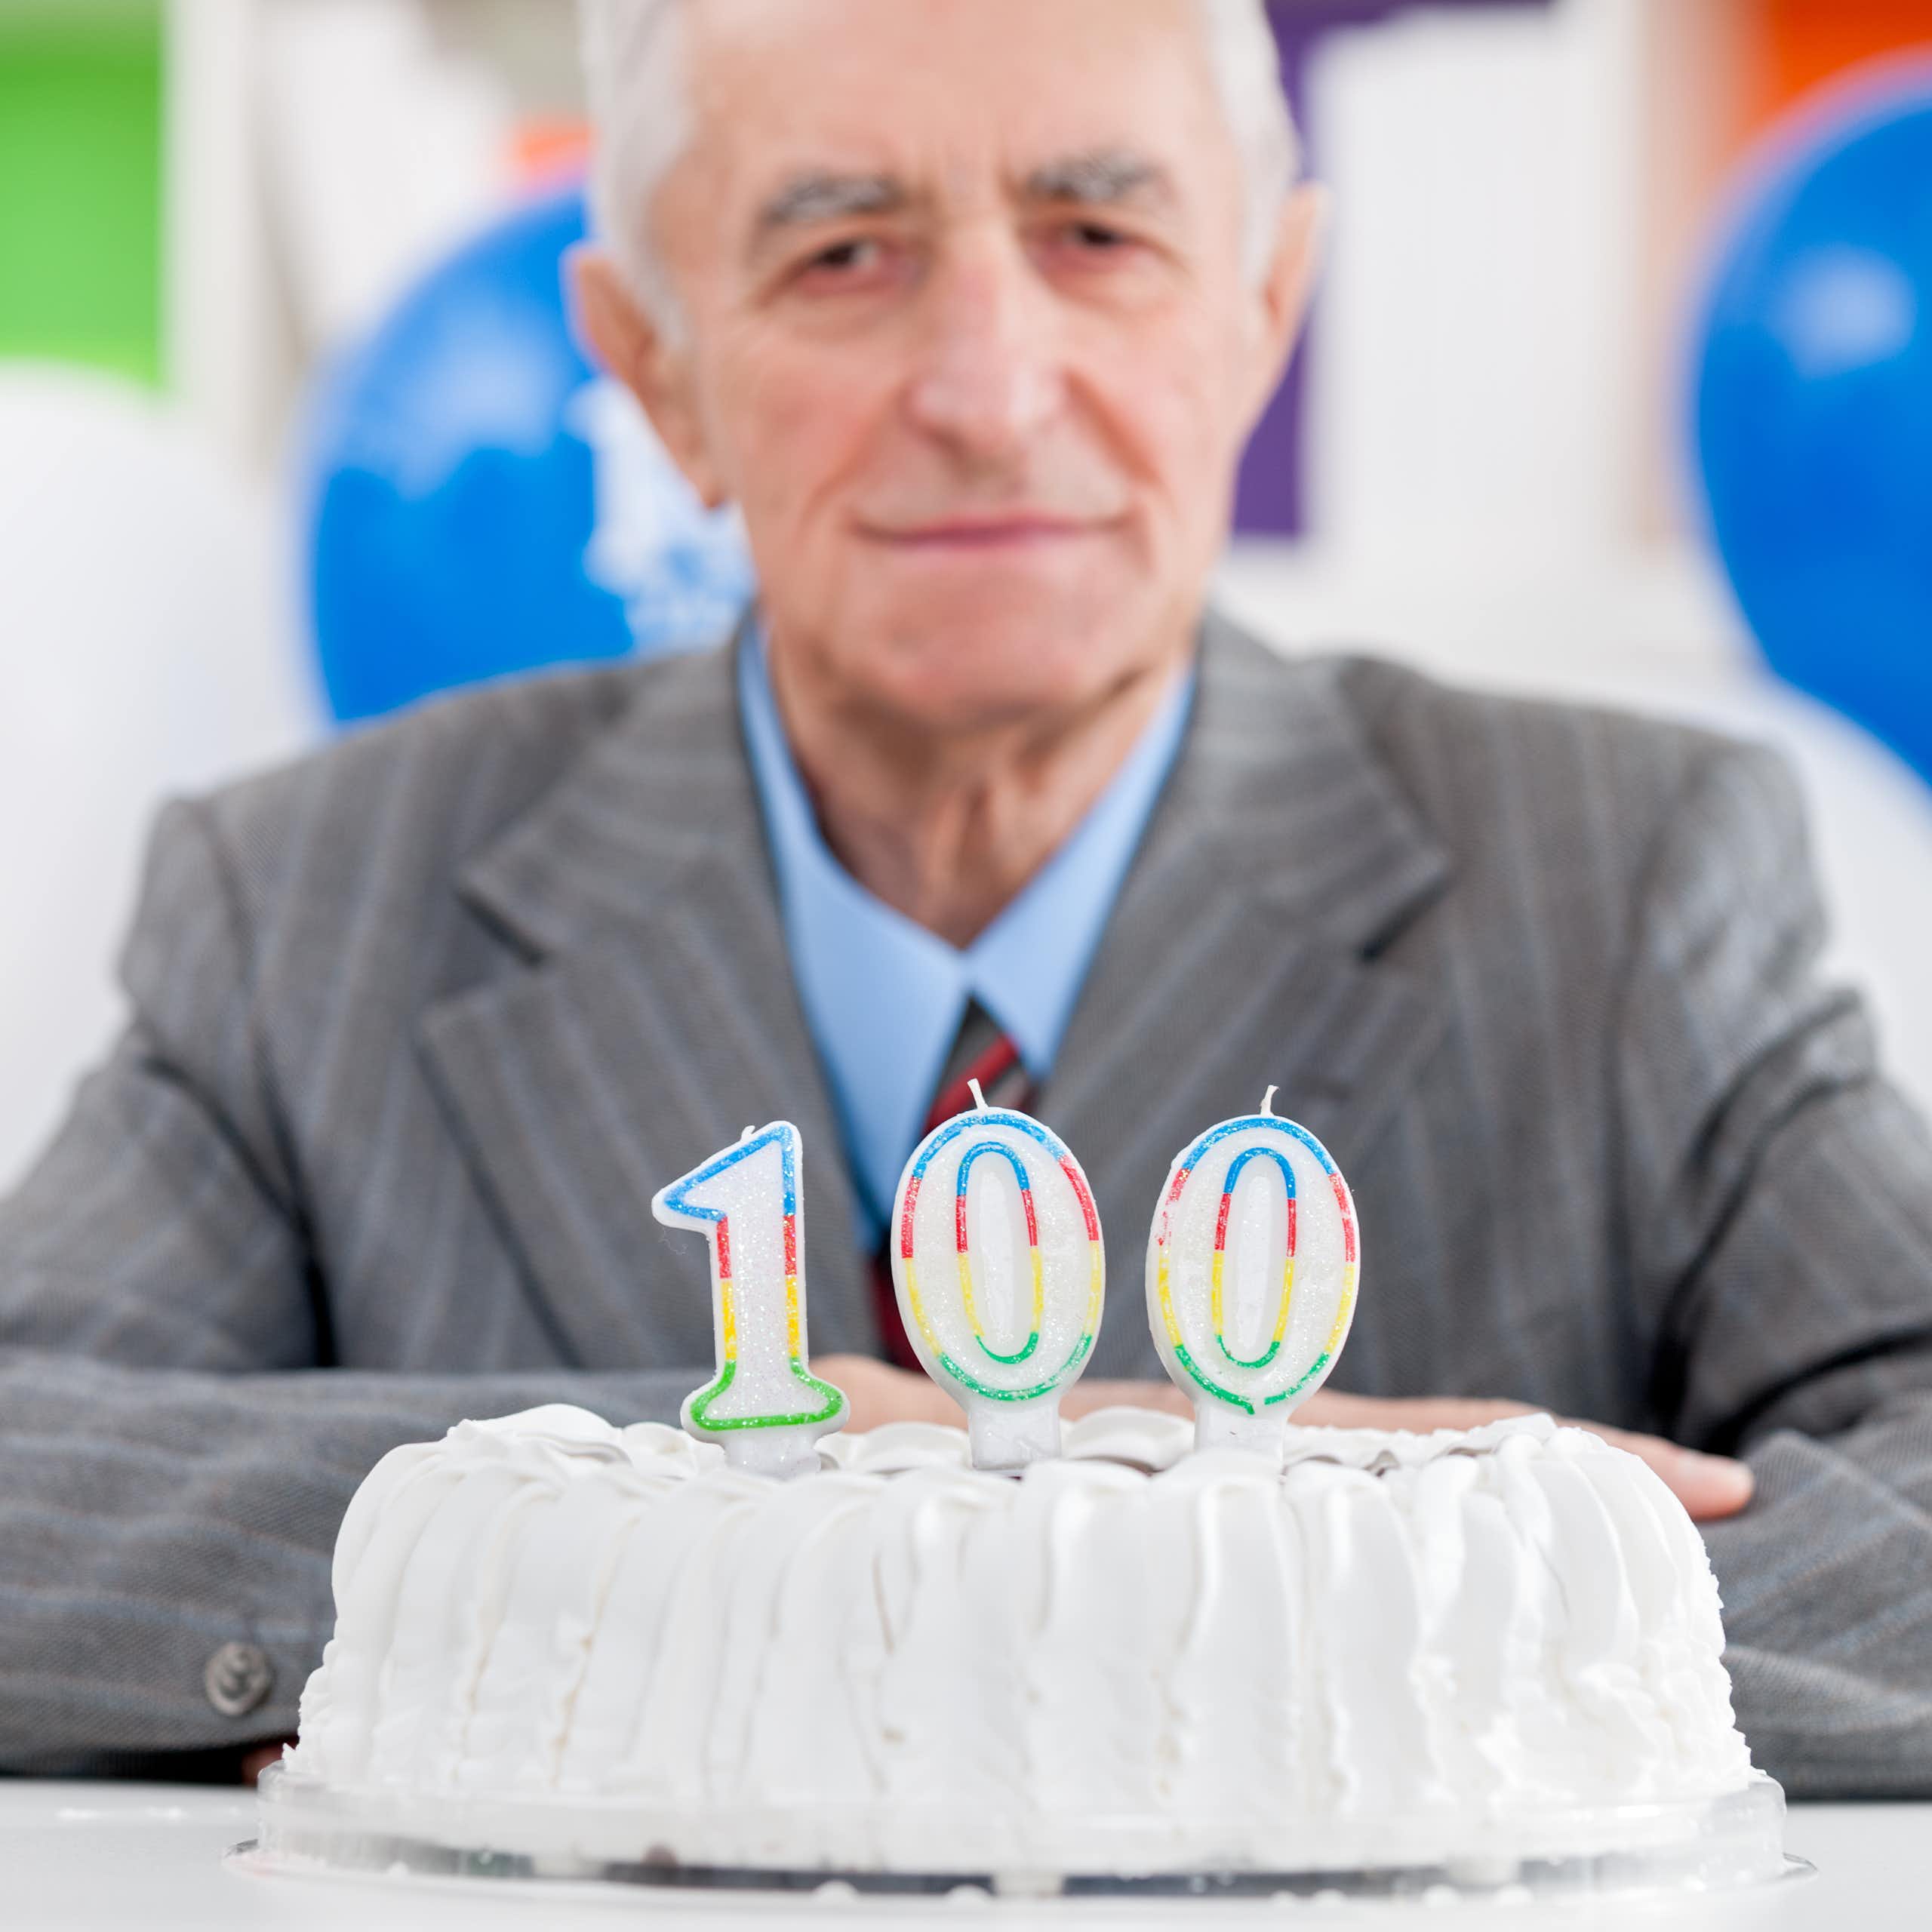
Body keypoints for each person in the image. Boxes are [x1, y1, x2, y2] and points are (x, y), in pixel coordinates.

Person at [2, 0, 1928, 1795]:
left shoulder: (1628, 874)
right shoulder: (311, 899)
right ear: (654, 371)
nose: (992, 390)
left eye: (1097, 232)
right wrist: (796, 1468)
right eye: (843, 253)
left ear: (1260, 309)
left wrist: (1224, 1560)